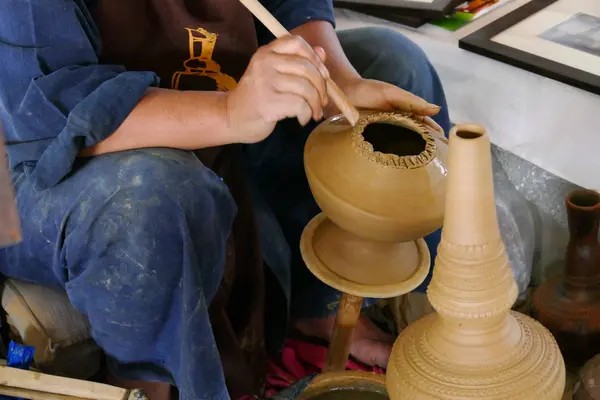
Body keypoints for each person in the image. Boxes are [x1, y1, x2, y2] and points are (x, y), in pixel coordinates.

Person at [0, 0, 450, 399]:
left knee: (394, 63)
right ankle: (148, 381)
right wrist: (232, 113)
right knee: (154, 190)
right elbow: (50, 112)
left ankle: (325, 306)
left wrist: (337, 83)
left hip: (200, 91)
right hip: (33, 160)